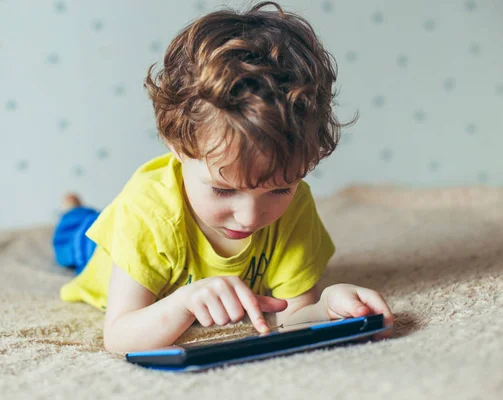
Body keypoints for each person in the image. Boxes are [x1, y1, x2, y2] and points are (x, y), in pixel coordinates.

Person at [52, 1, 394, 353]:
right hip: (107, 253)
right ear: (176, 144)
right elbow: (120, 336)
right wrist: (182, 304)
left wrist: (327, 307)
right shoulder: (146, 213)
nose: (250, 217)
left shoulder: (296, 209)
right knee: (78, 237)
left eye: (279, 190)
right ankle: (72, 209)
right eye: (222, 189)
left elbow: (290, 317)